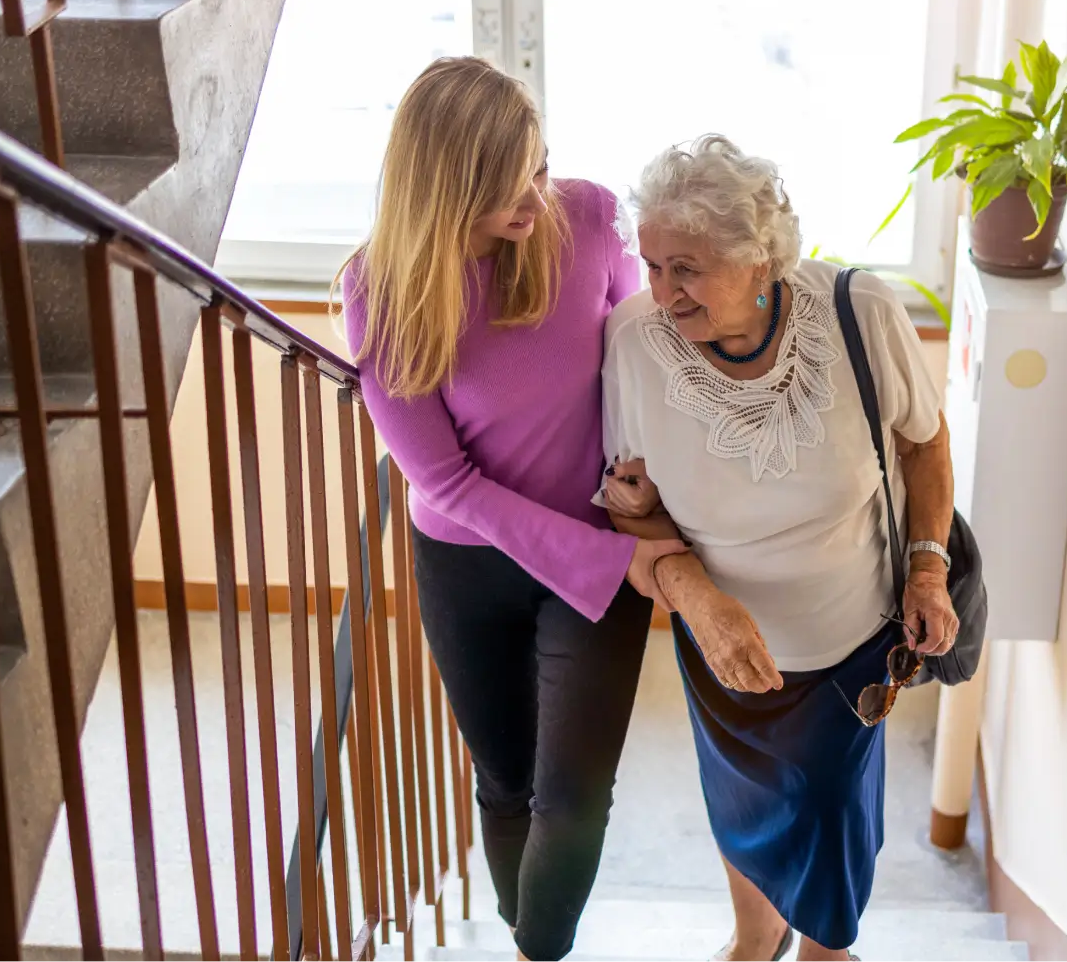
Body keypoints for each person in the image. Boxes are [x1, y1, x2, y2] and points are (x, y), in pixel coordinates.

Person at [337, 57, 686, 962]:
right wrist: (609, 559)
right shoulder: (379, 288)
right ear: (445, 190)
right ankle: (527, 933)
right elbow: (446, 483)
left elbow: (638, 369)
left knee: (572, 794)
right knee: (504, 781)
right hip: (469, 562)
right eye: (507, 186)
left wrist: (642, 502)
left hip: (603, 552)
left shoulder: (590, 216)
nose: (536, 198)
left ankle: (536, 949)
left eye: (539, 164)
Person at [596, 135, 958, 962]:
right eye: (651, 265)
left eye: (686, 267)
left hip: (852, 642)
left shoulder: (862, 313)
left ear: (759, 259)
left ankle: (826, 951)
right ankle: (754, 937)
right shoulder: (632, 344)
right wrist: (694, 595)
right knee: (743, 800)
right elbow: (634, 507)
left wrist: (929, 566)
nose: (663, 291)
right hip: (721, 647)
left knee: (829, 809)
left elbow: (925, 444)